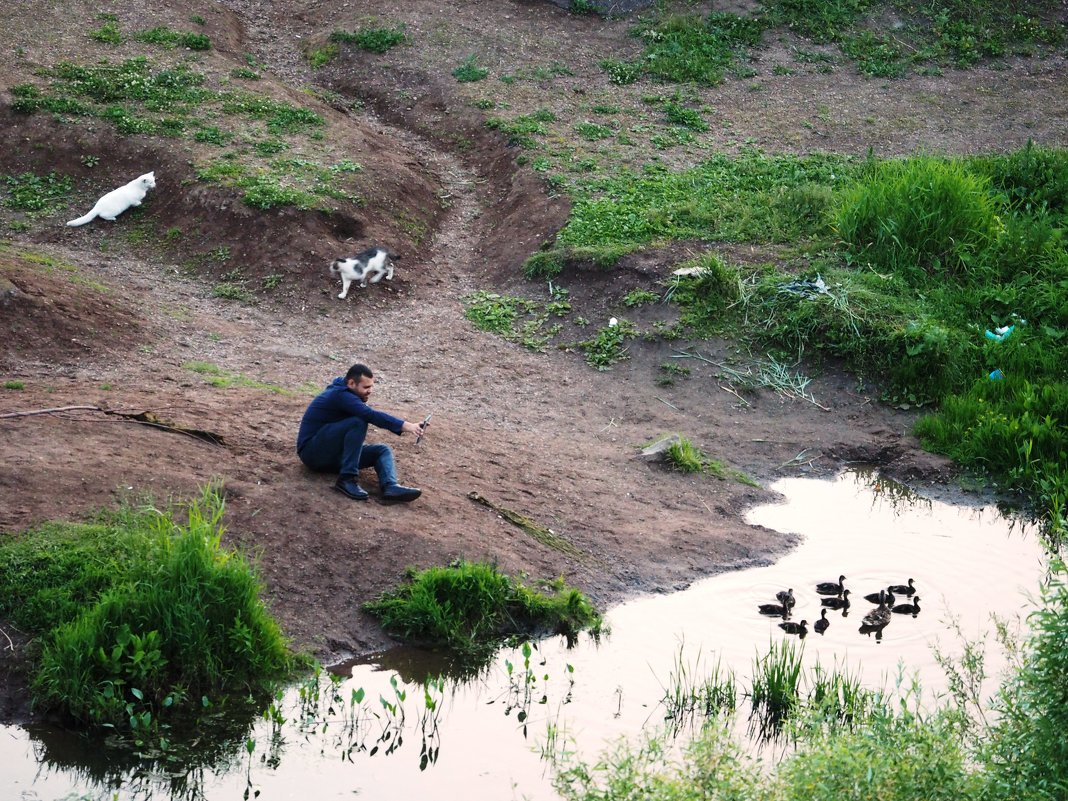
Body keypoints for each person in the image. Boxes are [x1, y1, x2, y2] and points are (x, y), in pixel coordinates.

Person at [297, 363, 427, 502]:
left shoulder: (349, 393)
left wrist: (411, 425)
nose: (370, 390)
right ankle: (346, 479)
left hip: (332, 455)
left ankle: (390, 486)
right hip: (312, 453)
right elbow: (369, 414)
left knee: (381, 450)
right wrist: (407, 426)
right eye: (366, 387)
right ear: (352, 383)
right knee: (358, 421)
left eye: (371, 386)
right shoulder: (340, 395)